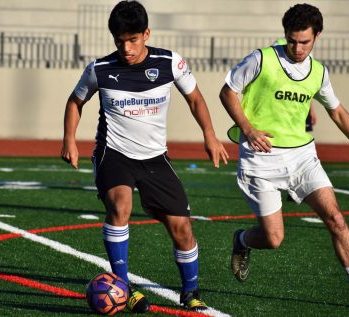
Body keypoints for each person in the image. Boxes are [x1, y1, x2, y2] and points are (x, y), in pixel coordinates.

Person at [61, 0, 228, 312]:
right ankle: (123, 286)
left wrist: (209, 135)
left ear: (146, 34)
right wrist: (69, 139)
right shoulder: (100, 69)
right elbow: (75, 101)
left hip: (154, 158)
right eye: (120, 41)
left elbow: (195, 98)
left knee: (182, 227)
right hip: (114, 153)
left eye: (133, 39)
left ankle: (190, 292)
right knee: (120, 207)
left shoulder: (170, 63)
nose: (126, 48)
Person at [219, 3, 349, 310]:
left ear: (317, 36)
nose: (297, 47)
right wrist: (248, 129)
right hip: (260, 159)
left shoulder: (318, 72)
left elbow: (337, 111)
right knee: (274, 238)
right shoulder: (262, 59)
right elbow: (227, 92)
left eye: (304, 41)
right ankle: (242, 240)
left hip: (303, 158)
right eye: (292, 40)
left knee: (336, 218)